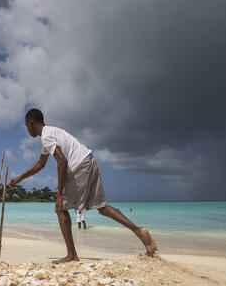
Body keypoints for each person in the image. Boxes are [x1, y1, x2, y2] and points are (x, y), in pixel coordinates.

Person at [9, 109, 157, 263]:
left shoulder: (46, 136)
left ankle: (72, 256)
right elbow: (41, 164)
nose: (27, 130)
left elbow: (62, 161)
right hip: (90, 160)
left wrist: (59, 195)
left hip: (79, 165)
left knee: (60, 208)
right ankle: (139, 231)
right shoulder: (53, 132)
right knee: (102, 207)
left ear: (30, 123)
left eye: (27, 126)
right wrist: (19, 178)